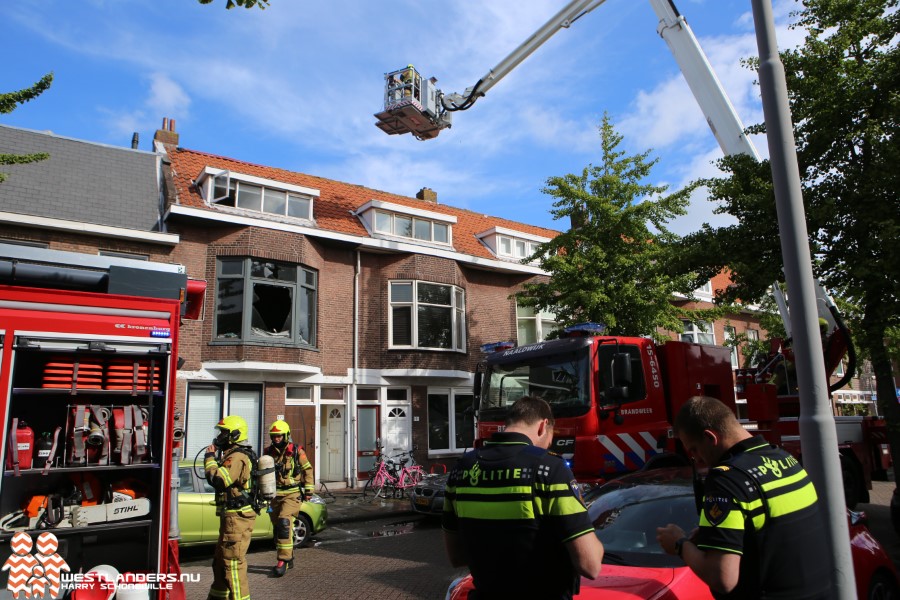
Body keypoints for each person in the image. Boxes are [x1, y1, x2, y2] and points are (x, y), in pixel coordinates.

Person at [656, 396, 832, 599]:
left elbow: (723, 578)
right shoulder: (786, 460)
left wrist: (680, 544)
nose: (696, 459)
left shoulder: (727, 479)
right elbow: (776, 535)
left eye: (694, 449)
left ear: (710, 437)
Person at [442, 396, 603, 599]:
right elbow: (590, 566)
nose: (547, 447)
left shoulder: (460, 470)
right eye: (549, 441)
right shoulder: (549, 468)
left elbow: (456, 557)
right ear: (543, 426)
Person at [205, 415, 257, 600]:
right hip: (232, 517)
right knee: (220, 562)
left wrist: (210, 459)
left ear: (234, 435)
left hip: (237, 518)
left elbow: (220, 480)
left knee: (232, 564)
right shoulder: (232, 454)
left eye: (224, 433)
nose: (220, 437)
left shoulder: (237, 457)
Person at [264, 419, 314, 577]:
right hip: (274, 495)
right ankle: (289, 556)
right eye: (274, 436)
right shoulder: (268, 452)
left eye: (279, 436)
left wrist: (309, 490)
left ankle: (282, 561)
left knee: (284, 522)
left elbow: (307, 470)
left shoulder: (297, 451)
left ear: (285, 435)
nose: (276, 438)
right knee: (278, 529)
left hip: (292, 494)